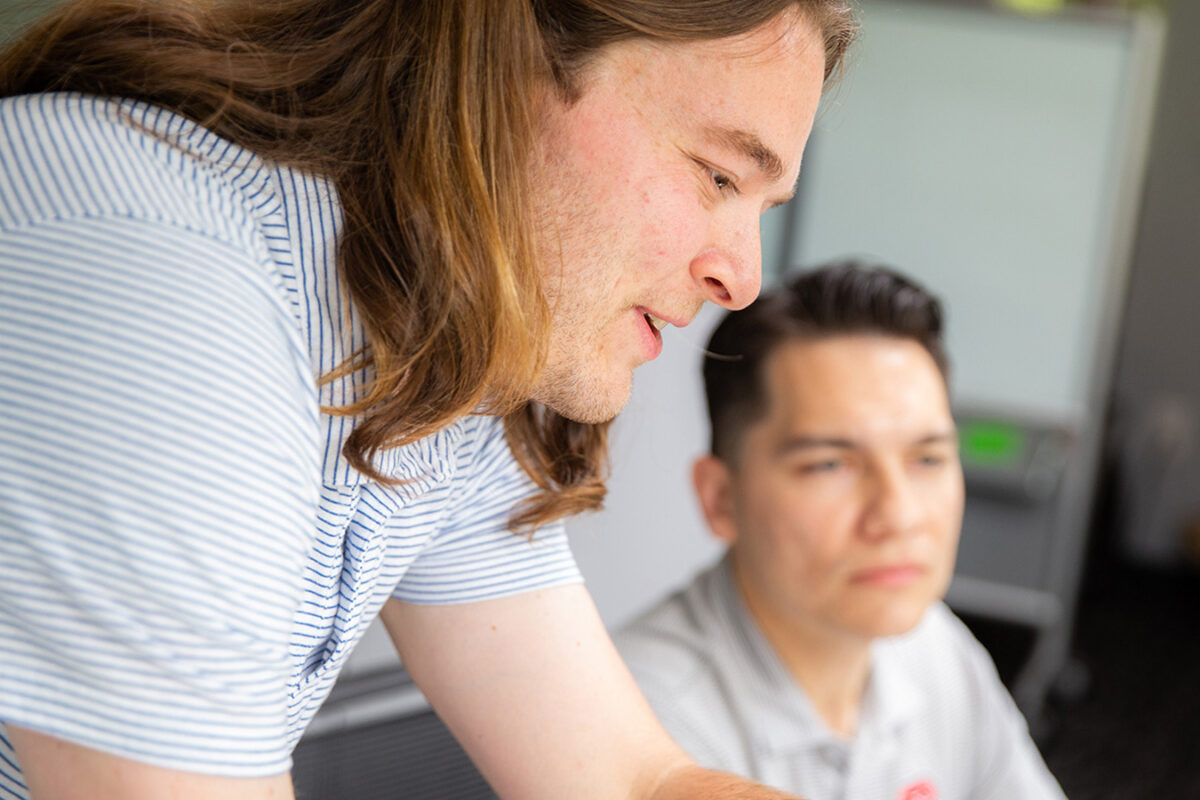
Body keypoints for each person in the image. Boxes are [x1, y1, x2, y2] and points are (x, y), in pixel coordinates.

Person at [0, 1, 857, 798]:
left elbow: (629, 779)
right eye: (716, 176)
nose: (741, 279)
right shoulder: (149, 267)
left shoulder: (440, 332)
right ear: (505, 63)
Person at [615, 262, 1069, 800]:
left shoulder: (934, 646)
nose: (897, 515)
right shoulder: (638, 724)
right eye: (830, 466)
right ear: (721, 499)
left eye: (927, 458)